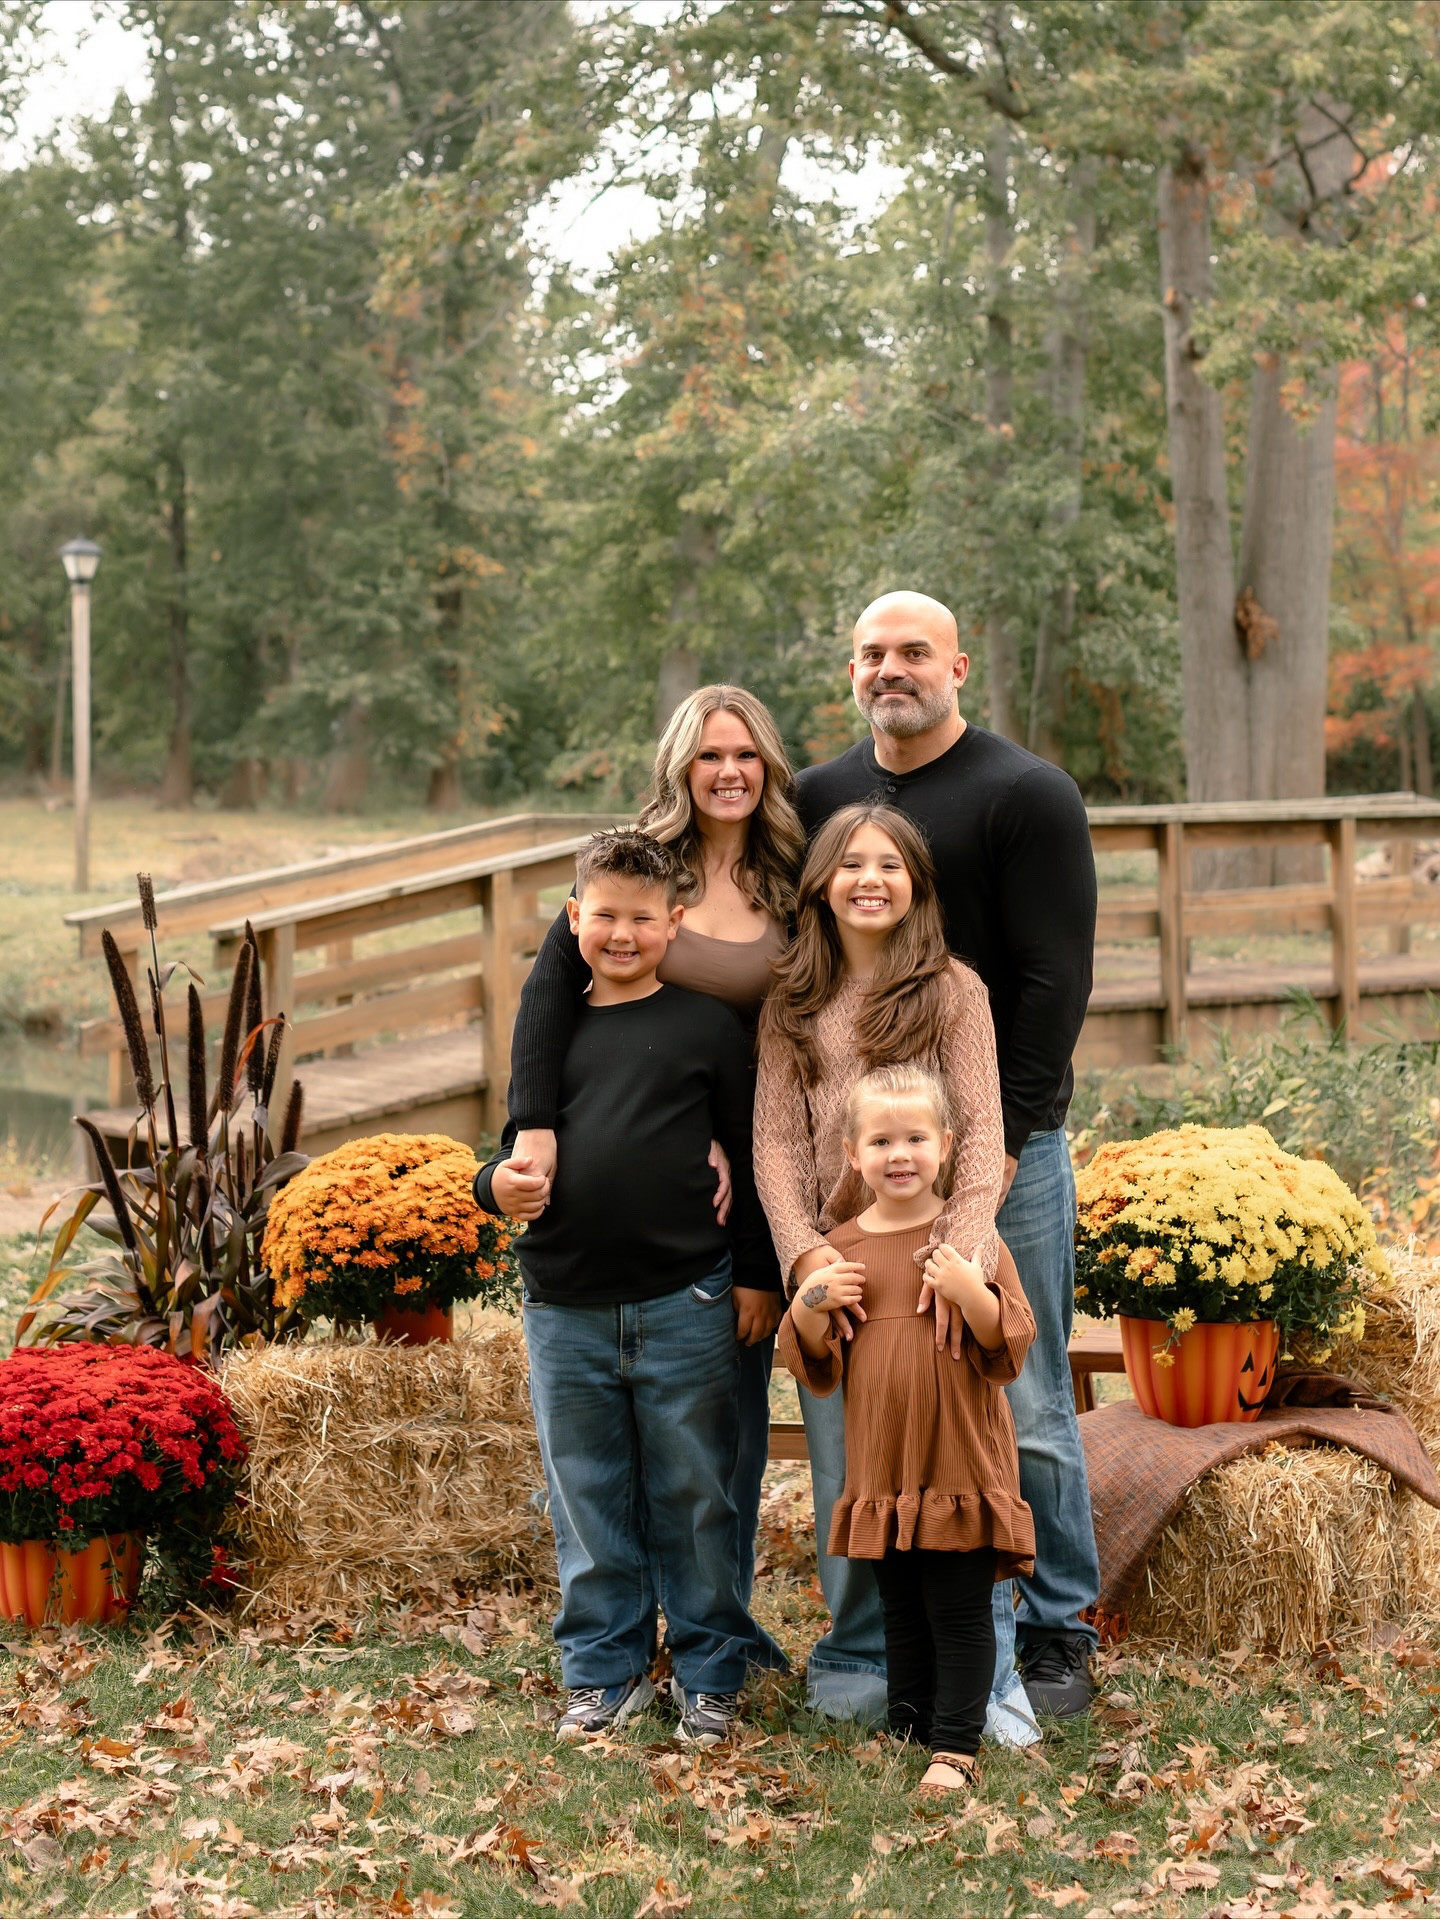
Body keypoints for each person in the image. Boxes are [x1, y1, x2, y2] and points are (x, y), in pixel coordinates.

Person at [793, 589, 1100, 1720]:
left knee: (1021, 1396)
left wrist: (999, 1157)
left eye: (913, 650)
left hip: (1004, 1151)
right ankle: (909, 1642)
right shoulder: (821, 796)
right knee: (887, 1391)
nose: (891, 668)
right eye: (871, 652)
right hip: (870, 1173)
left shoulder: (1027, 794)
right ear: (852, 671)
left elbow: (1052, 982)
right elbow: (800, 970)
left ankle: (1059, 1622)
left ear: (959, 664)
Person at [474, 829, 781, 1746]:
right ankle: (604, 1672)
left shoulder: (705, 1027)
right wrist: (496, 1185)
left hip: (683, 1298)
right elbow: (507, 1152)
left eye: (642, 918)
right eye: (602, 915)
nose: (620, 933)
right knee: (588, 1493)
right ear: (574, 918)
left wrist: (758, 1275)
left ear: (674, 922)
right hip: (565, 1305)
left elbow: (755, 1157)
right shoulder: (553, 1029)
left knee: (697, 1492)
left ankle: (708, 1671)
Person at [499, 685, 804, 1601]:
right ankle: (623, 1636)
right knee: (626, 1446)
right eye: (709, 755)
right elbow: (546, 1002)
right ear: (680, 766)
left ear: (769, 767)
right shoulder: (632, 871)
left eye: (745, 754)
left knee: (724, 1433)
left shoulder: (794, 871)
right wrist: (536, 1125)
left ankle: (719, 1632)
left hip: (769, 1143)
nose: (728, 772)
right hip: (671, 1167)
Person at [754, 804, 1036, 1735]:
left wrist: (961, 1262)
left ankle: (984, 1690)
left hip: (941, 1260)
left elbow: (985, 1130)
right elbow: (777, 1147)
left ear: (916, 881)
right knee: (857, 1470)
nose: (869, 878)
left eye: (889, 863)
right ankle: (870, 1663)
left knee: (968, 1469)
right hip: (847, 1267)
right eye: (850, 864)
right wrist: (807, 1260)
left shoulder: (954, 990)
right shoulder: (793, 998)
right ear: (822, 883)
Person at [778, 1063, 1035, 1790]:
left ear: (948, 1144)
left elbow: (1009, 1341)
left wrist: (970, 1291)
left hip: (957, 1455)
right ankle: (911, 1720)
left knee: (957, 1605)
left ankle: (956, 1745)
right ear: (853, 1154)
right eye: (882, 1139)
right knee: (902, 1605)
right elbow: (810, 1357)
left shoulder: (967, 1240)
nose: (900, 1153)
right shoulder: (842, 1249)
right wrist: (810, 1300)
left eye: (916, 1137)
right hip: (884, 1462)